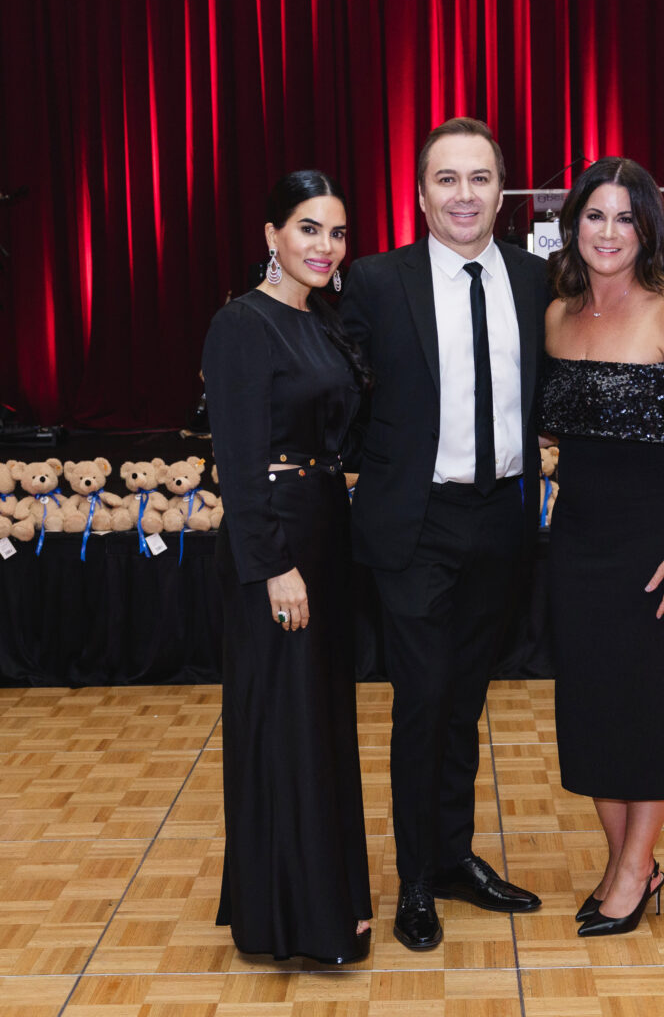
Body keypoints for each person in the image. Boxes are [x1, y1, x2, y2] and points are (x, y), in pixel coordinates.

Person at [340, 118, 548, 950]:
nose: (463, 194)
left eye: (479, 178)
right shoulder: (375, 282)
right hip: (413, 524)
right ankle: (415, 879)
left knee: (465, 701)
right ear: (420, 193)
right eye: (445, 179)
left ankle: (456, 858)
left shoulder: (539, 282)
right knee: (422, 704)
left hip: (502, 518)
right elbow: (337, 390)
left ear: (503, 191)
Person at [539, 157, 664, 937]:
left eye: (624, 217)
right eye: (594, 215)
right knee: (593, 711)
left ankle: (627, 874)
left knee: (650, 714)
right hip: (576, 541)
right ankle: (632, 866)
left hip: (653, 548)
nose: (608, 232)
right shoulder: (556, 314)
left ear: (648, 227)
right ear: (570, 224)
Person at [201, 170, 373, 964]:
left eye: (336, 233)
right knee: (284, 720)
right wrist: (274, 566)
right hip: (276, 545)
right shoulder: (242, 325)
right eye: (308, 229)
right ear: (271, 234)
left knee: (319, 719)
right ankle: (291, 919)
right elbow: (237, 460)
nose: (325, 247)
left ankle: (324, 896)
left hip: (322, 535)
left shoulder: (322, 321)